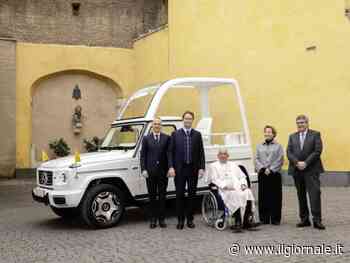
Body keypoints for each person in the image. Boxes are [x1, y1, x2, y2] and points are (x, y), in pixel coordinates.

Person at [168, 111, 205, 230]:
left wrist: (201, 168)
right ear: (182, 120)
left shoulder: (197, 135)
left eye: (190, 119)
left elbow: (201, 153)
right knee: (179, 195)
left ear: (192, 120)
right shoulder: (175, 134)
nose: (188, 121)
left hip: (193, 169)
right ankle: (180, 220)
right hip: (179, 170)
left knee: (192, 195)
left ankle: (190, 219)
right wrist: (171, 167)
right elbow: (170, 152)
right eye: (186, 119)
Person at [287, 114, 325, 230]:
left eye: (302, 122)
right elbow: (289, 152)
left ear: (307, 123)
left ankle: (317, 220)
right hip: (297, 170)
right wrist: (297, 162)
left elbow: (317, 151)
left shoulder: (315, 134)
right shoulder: (292, 136)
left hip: (311, 170)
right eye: (298, 123)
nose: (300, 125)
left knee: (314, 195)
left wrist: (306, 163)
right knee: (301, 195)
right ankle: (304, 219)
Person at [207, 147, 257, 233]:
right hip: (224, 190)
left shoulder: (233, 165)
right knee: (234, 195)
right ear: (218, 156)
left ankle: (246, 221)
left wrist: (243, 185)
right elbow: (214, 179)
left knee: (247, 192)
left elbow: (242, 177)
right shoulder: (213, 166)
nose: (223, 156)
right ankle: (237, 222)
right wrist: (225, 186)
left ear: (228, 156)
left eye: (225, 154)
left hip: (237, 187)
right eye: (221, 154)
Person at [140, 117, 170, 228]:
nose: (157, 126)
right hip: (150, 173)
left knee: (162, 197)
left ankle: (162, 220)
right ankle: (153, 220)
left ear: (161, 126)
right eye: (155, 124)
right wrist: (143, 169)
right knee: (152, 197)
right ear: (152, 126)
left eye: (158, 124)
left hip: (163, 172)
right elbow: (143, 156)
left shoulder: (167, 138)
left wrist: (170, 168)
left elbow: (169, 154)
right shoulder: (146, 139)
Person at [255, 125, 284, 225]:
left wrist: (271, 169)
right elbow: (256, 159)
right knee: (263, 197)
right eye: (266, 132)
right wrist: (263, 169)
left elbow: (280, 159)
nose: (267, 133)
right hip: (263, 174)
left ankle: (275, 219)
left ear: (273, 134)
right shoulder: (259, 146)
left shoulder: (278, 146)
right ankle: (264, 218)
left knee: (275, 197)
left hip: (274, 174)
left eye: (269, 132)